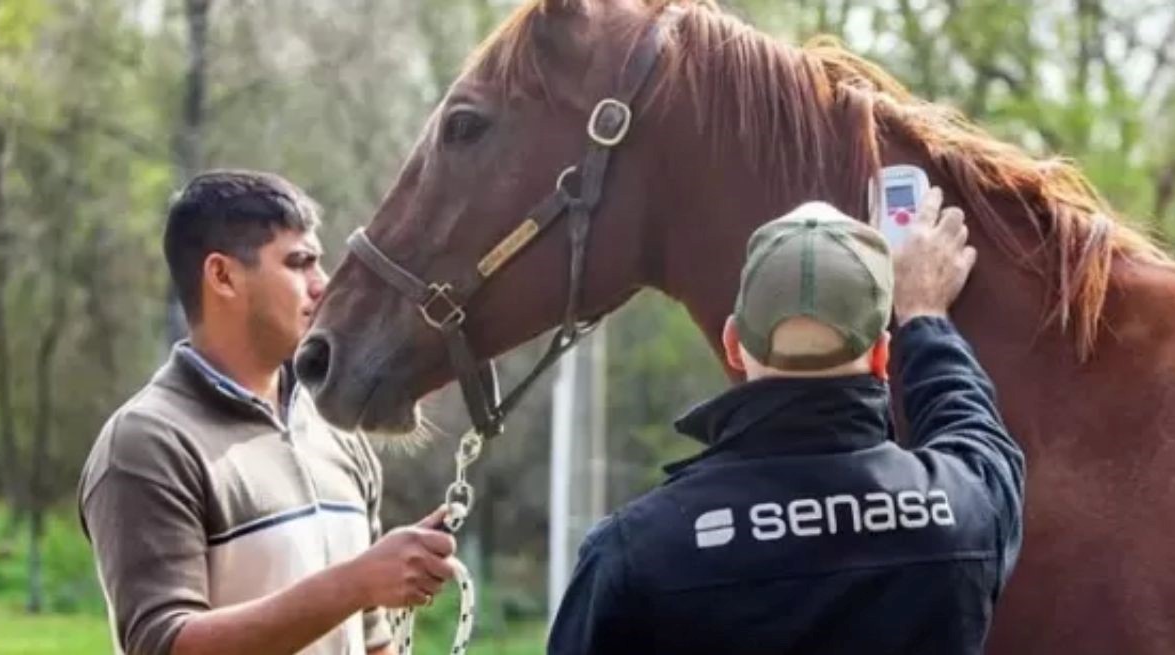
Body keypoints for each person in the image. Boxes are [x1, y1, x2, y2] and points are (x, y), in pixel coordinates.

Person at [548, 189, 1026, 655]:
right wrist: (925, 317)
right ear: (882, 354)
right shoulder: (965, 513)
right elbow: (974, 429)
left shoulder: (634, 553)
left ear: (734, 345)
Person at [78, 170, 455, 655]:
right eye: (299, 264)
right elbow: (161, 644)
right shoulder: (145, 443)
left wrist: (374, 586)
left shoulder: (334, 429)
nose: (322, 285)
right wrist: (357, 582)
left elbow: (368, 639)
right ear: (222, 276)